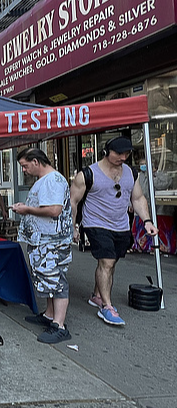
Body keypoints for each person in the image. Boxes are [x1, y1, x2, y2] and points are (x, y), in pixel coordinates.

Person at [71, 136, 158, 326]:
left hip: (120, 225)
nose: (123, 157)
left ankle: (96, 295)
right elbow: (74, 202)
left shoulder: (130, 173)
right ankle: (107, 307)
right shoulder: (87, 174)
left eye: (127, 153)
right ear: (106, 152)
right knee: (107, 262)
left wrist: (147, 221)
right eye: (119, 153)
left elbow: (137, 198)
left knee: (111, 262)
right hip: (96, 223)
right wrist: (73, 226)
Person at [11, 148, 73, 344]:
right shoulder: (45, 180)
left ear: (36, 161)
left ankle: (59, 325)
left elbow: (54, 210)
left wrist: (26, 209)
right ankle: (49, 315)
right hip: (43, 241)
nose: (24, 170)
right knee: (47, 278)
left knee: (56, 280)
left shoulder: (52, 180)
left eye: (25, 166)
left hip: (52, 241)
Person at [131, 157, 174, 253]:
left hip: (160, 207)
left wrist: (152, 174)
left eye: (145, 164)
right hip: (143, 208)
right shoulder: (138, 176)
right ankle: (142, 247)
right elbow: (134, 192)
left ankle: (162, 247)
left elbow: (163, 184)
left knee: (160, 228)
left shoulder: (161, 175)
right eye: (141, 164)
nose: (143, 166)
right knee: (141, 228)